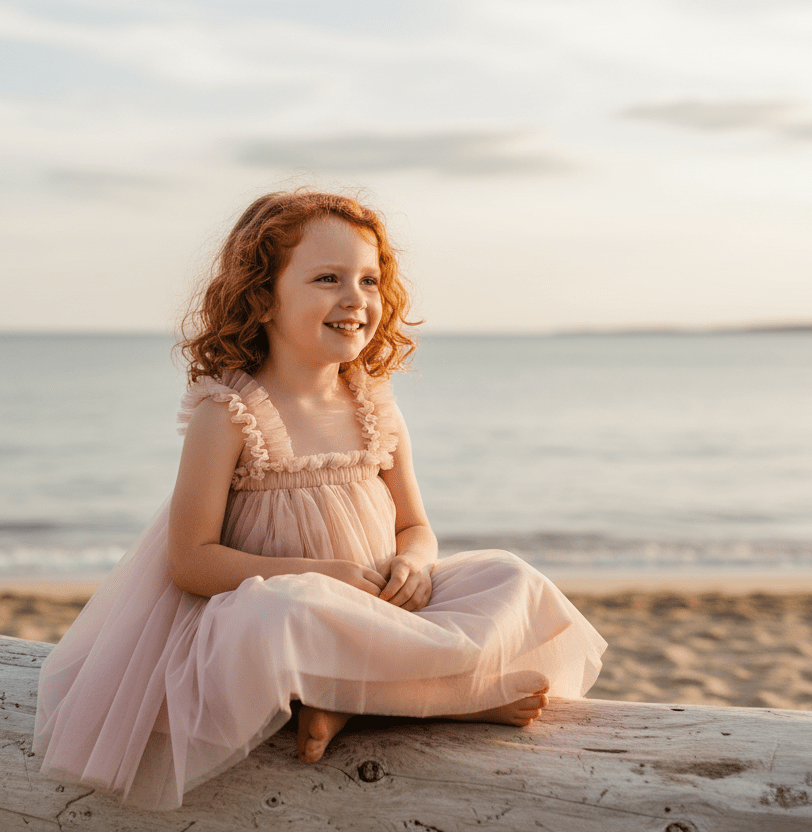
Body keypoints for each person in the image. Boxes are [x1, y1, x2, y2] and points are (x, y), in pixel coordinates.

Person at [33, 190, 606, 810]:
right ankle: (443, 699)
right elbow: (191, 561)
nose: (355, 298)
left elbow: (416, 526)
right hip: (281, 615)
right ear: (262, 297)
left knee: (507, 577)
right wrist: (317, 576)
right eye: (327, 278)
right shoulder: (229, 415)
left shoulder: (374, 407)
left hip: (377, 609)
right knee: (281, 614)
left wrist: (412, 564)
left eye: (368, 279)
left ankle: (350, 701)